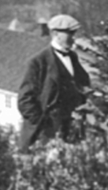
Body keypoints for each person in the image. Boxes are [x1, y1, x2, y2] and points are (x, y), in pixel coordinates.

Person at [18, 14, 91, 153]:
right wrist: (43, 126)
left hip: (70, 129)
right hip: (46, 134)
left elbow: (82, 84)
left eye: (74, 33)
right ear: (56, 34)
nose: (74, 37)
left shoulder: (73, 56)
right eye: (70, 33)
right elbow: (24, 101)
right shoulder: (38, 62)